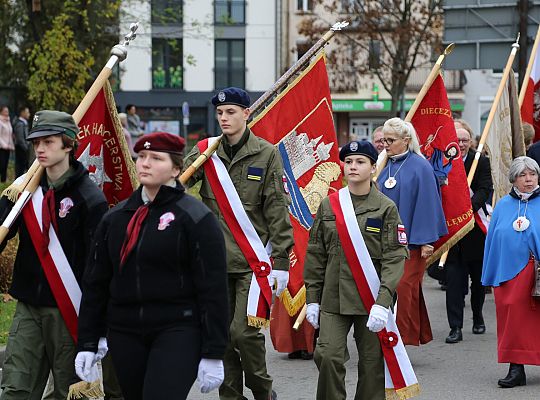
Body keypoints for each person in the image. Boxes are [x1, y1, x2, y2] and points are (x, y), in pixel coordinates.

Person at [76, 131, 229, 399]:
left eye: (156, 158)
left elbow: (213, 289)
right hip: (125, 331)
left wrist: (214, 352)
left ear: (176, 168)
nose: (145, 163)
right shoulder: (116, 218)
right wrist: (90, 340)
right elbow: (96, 283)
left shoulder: (195, 218)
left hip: (177, 329)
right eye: (142, 156)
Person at [184, 87, 294, 400]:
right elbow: (179, 182)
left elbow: (276, 207)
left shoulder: (266, 152)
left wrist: (282, 261)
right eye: (219, 113)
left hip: (252, 261)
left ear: (247, 113)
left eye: (231, 112)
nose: (224, 118)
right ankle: (230, 396)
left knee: (243, 333)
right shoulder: (206, 151)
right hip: (214, 261)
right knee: (220, 335)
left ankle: (263, 391)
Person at [0, 110, 109, 399]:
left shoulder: (90, 199)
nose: (39, 149)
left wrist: (95, 327)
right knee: (14, 389)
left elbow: (98, 269)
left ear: (69, 144)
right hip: (27, 306)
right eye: (36, 142)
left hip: (68, 310)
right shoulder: (23, 189)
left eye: (48, 141)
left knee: (67, 392)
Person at [304, 140, 408, 400]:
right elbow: (316, 253)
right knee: (327, 356)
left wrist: (384, 302)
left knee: (372, 364)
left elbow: (394, 258)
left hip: (371, 298)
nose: (353, 167)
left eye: (360, 162)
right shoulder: (330, 205)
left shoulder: (385, 208)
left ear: (373, 168)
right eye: (348, 162)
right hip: (334, 297)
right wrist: (312, 300)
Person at [378, 117, 447, 346]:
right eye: (384, 140)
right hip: (379, 242)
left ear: (406, 140)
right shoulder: (381, 164)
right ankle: (385, 336)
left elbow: (427, 204)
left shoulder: (421, 166)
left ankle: (401, 341)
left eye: (391, 140)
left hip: (411, 243)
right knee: (383, 290)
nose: (385, 144)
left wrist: (426, 241)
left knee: (405, 289)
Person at [482, 156, 540, 388]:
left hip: (535, 271)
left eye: (533, 174)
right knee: (512, 320)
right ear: (513, 179)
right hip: (508, 274)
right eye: (522, 175)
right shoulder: (503, 205)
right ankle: (516, 368)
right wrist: (489, 273)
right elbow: (492, 242)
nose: (528, 179)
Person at [444, 123, 493, 344]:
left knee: (478, 282)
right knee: (453, 282)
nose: (461, 144)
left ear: (471, 141)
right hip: (452, 232)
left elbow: (485, 189)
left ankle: (478, 316)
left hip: (475, 230)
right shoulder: (443, 161)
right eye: (458, 140)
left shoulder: (479, 161)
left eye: (465, 140)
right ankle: (455, 327)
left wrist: (467, 209)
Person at [12, 106, 30, 177]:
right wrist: (26, 147)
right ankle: (18, 182)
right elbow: (20, 139)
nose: (29, 114)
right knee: (20, 166)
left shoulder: (24, 122)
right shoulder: (20, 123)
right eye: (27, 112)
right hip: (21, 147)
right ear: (22, 113)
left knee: (23, 165)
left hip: (23, 147)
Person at [0, 105, 14, 182]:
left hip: (8, 147)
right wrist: (3, 145)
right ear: (1, 112)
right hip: (2, 147)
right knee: (2, 164)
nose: (7, 112)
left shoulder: (8, 121)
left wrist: (10, 145)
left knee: (5, 164)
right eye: (5, 111)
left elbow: (9, 134)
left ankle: (3, 181)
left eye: (7, 111)